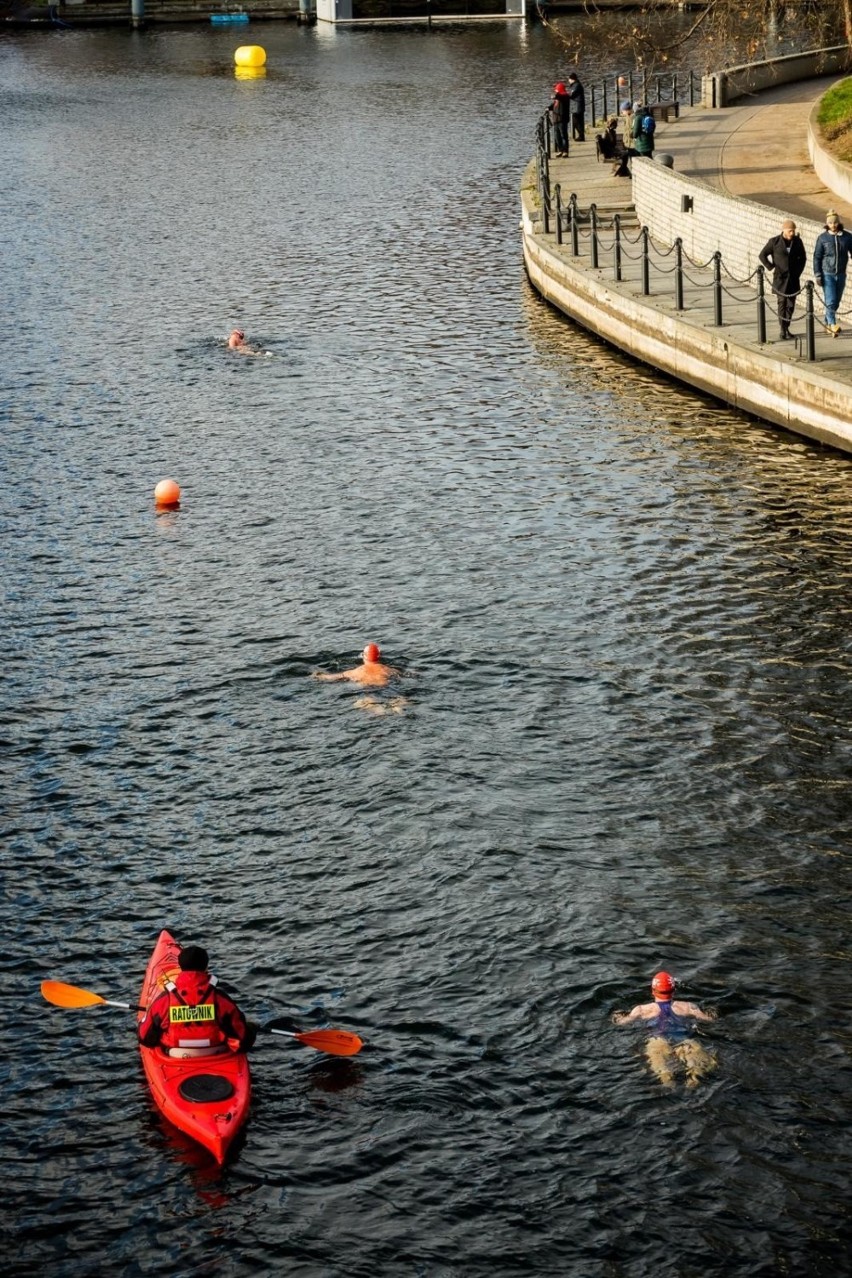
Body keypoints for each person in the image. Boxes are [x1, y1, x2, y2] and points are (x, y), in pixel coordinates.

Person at [138, 945, 253, 1059]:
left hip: (175, 1055)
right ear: (206, 967)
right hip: (216, 1053)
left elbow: (145, 1038)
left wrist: (145, 1021)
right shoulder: (220, 998)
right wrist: (251, 1028)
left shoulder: (164, 1000)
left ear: (180, 967)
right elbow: (242, 1039)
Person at [612, 971, 717, 1087]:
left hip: (657, 1041)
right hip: (684, 1040)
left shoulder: (641, 1010)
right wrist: (712, 1012)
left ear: (653, 990)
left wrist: (617, 1016)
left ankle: (669, 1085)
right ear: (673, 990)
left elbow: (621, 1023)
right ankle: (693, 1084)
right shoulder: (688, 1007)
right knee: (696, 1071)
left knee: (664, 1074)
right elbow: (709, 1020)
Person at [759, 219, 806, 340]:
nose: (792, 233)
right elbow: (762, 255)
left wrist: (797, 272)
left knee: (790, 305)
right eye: (790, 231)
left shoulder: (797, 241)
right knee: (782, 303)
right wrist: (770, 267)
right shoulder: (774, 242)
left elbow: (803, 258)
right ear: (784, 230)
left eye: (793, 231)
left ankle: (786, 327)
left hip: (793, 279)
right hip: (780, 279)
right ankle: (782, 329)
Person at [813, 209, 852, 336]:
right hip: (827, 274)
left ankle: (827, 322)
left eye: (835, 222)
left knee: (836, 301)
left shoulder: (847, 237)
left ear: (838, 222)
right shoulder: (823, 238)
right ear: (827, 224)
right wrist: (818, 274)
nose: (833, 225)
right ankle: (833, 325)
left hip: (841, 274)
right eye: (830, 223)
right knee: (830, 300)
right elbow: (817, 257)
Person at [313, 643, 399, 688]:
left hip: (367, 688)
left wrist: (318, 675)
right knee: (398, 701)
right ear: (379, 656)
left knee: (362, 702)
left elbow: (333, 677)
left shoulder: (355, 672)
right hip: (385, 686)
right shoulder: (388, 670)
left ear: (364, 656)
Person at [549, 82, 570, 157]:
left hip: (562, 119)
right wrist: (549, 108)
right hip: (556, 119)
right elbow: (554, 104)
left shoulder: (565, 96)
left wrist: (556, 94)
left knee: (563, 135)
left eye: (557, 89)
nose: (555, 91)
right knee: (557, 136)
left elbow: (558, 96)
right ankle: (560, 150)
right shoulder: (558, 98)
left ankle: (565, 151)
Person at [566, 72, 585, 143]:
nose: (568, 80)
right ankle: (581, 136)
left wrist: (564, 95)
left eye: (569, 79)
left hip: (578, 107)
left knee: (576, 121)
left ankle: (581, 135)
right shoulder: (575, 85)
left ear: (572, 79)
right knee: (579, 121)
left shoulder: (576, 85)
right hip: (577, 106)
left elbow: (571, 95)